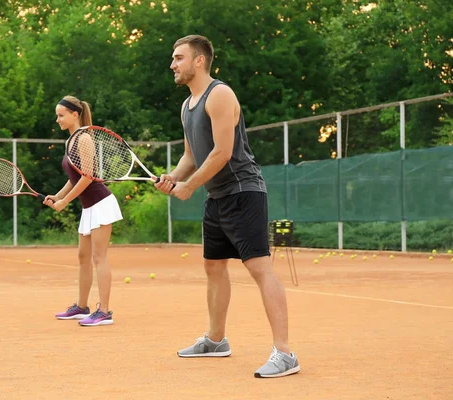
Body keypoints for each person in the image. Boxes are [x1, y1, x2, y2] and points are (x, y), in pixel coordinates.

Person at [155, 35, 300, 378]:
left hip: (243, 192)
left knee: (260, 268)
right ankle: (216, 340)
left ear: (199, 61)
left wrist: (189, 186)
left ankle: (285, 353)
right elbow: (192, 156)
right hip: (217, 197)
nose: (173, 64)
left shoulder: (219, 95)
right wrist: (172, 178)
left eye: (178, 58)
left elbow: (222, 151)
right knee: (214, 267)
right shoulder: (187, 106)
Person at [44, 95, 123, 327]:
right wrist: (57, 196)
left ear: (74, 114)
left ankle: (105, 311)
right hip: (88, 207)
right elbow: (74, 178)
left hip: (100, 204)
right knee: (83, 258)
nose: (57, 119)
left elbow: (88, 176)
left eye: (61, 115)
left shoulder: (84, 139)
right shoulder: (71, 141)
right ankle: (81, 306)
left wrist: (65, 202)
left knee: (99, 257)